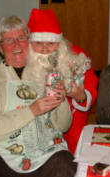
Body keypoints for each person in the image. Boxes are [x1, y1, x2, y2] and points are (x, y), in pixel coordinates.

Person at [0, 15, 77, 177]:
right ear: (0, 47)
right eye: (9, 40)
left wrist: (61, 100)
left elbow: (63, 126)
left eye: (21, 38)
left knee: (65, 165)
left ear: (28, 42)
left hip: (46, 148)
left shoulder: (44, 74)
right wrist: (32, 110)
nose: (16, 44)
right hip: (4, 153)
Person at [27, 8, 99, 154]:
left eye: (51, 43)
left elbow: (91, 87)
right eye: (39, 43)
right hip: (34, 122)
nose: (45, 49)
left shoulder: (77, 57)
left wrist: (80, 95)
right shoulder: (23, 59)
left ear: (60, 43)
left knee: (77, 151)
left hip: (72, 122)